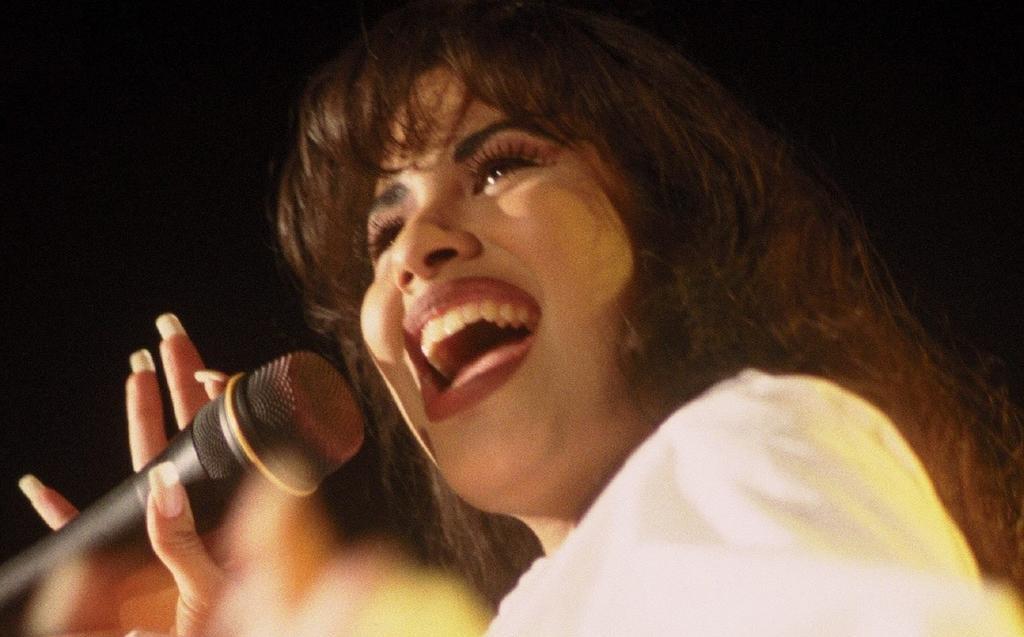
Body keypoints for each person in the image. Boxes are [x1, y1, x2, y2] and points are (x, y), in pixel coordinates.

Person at [18, 1, 1024, 634]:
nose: (415, 247)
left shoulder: (741, 442)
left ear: (670, 234)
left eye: (501, 166)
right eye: (383, 231)